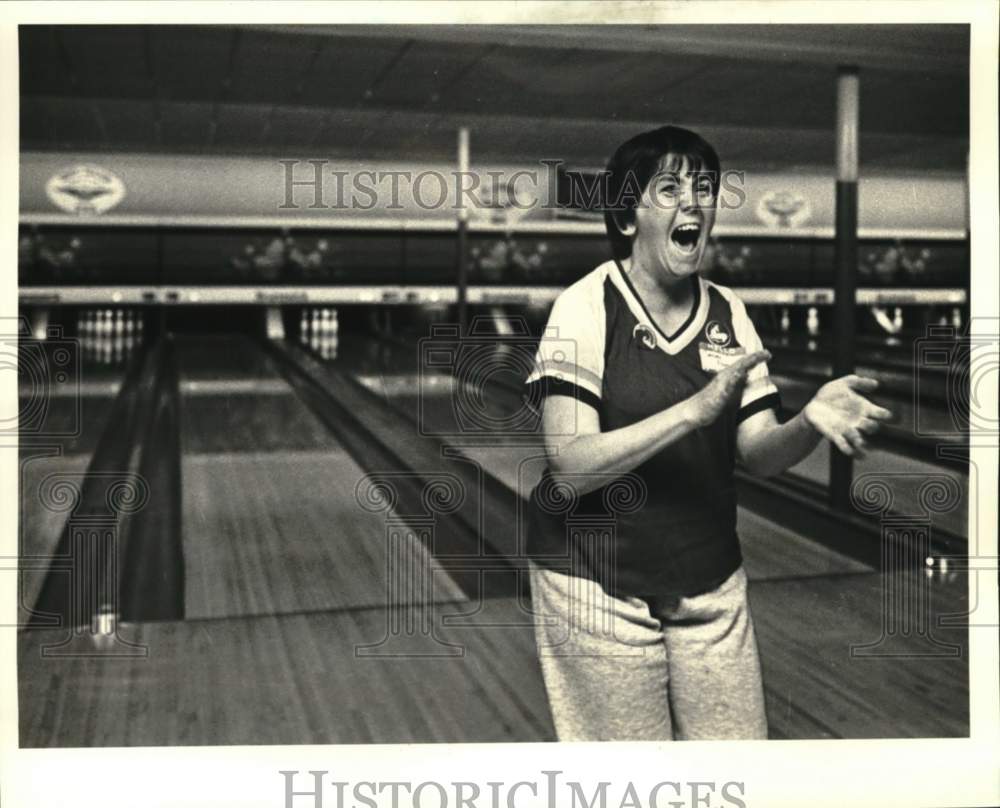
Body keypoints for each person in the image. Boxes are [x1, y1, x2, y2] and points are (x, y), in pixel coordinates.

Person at [524, 125, 892, 741]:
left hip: (708, 576)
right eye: (668, 188)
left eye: (703, 187)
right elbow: (571, 466)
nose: (692, 201)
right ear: (625, 215)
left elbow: (760, 453)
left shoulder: (729, 313)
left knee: (735, 773)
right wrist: (693, 412)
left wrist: (809, 423)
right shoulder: (585, 306)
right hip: (595, 579)